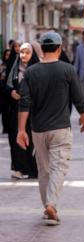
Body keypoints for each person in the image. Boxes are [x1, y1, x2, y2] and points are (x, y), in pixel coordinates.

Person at [17, 31, 84, 226]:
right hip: (60, 128)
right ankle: (51, 203)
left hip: (38, 129)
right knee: (59, 167)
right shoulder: (67, 69)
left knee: (44, 170)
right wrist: (83, 116)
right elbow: (77, 96)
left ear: (42, 48)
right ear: (59, 48)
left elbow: (24, 103)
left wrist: (21, 130)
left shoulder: (31, 72)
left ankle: (47, 207)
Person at [6, 43, 39, 179]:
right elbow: (6, 86)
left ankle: (34, 169)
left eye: (27, 52)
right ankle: (20, 168)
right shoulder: (15, 70)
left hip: (32, 112)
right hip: (16, 111)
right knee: (16, 139)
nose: (23, 55)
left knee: (32, 140)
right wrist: (11, 92)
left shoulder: (36, 70)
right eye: (21, 52)